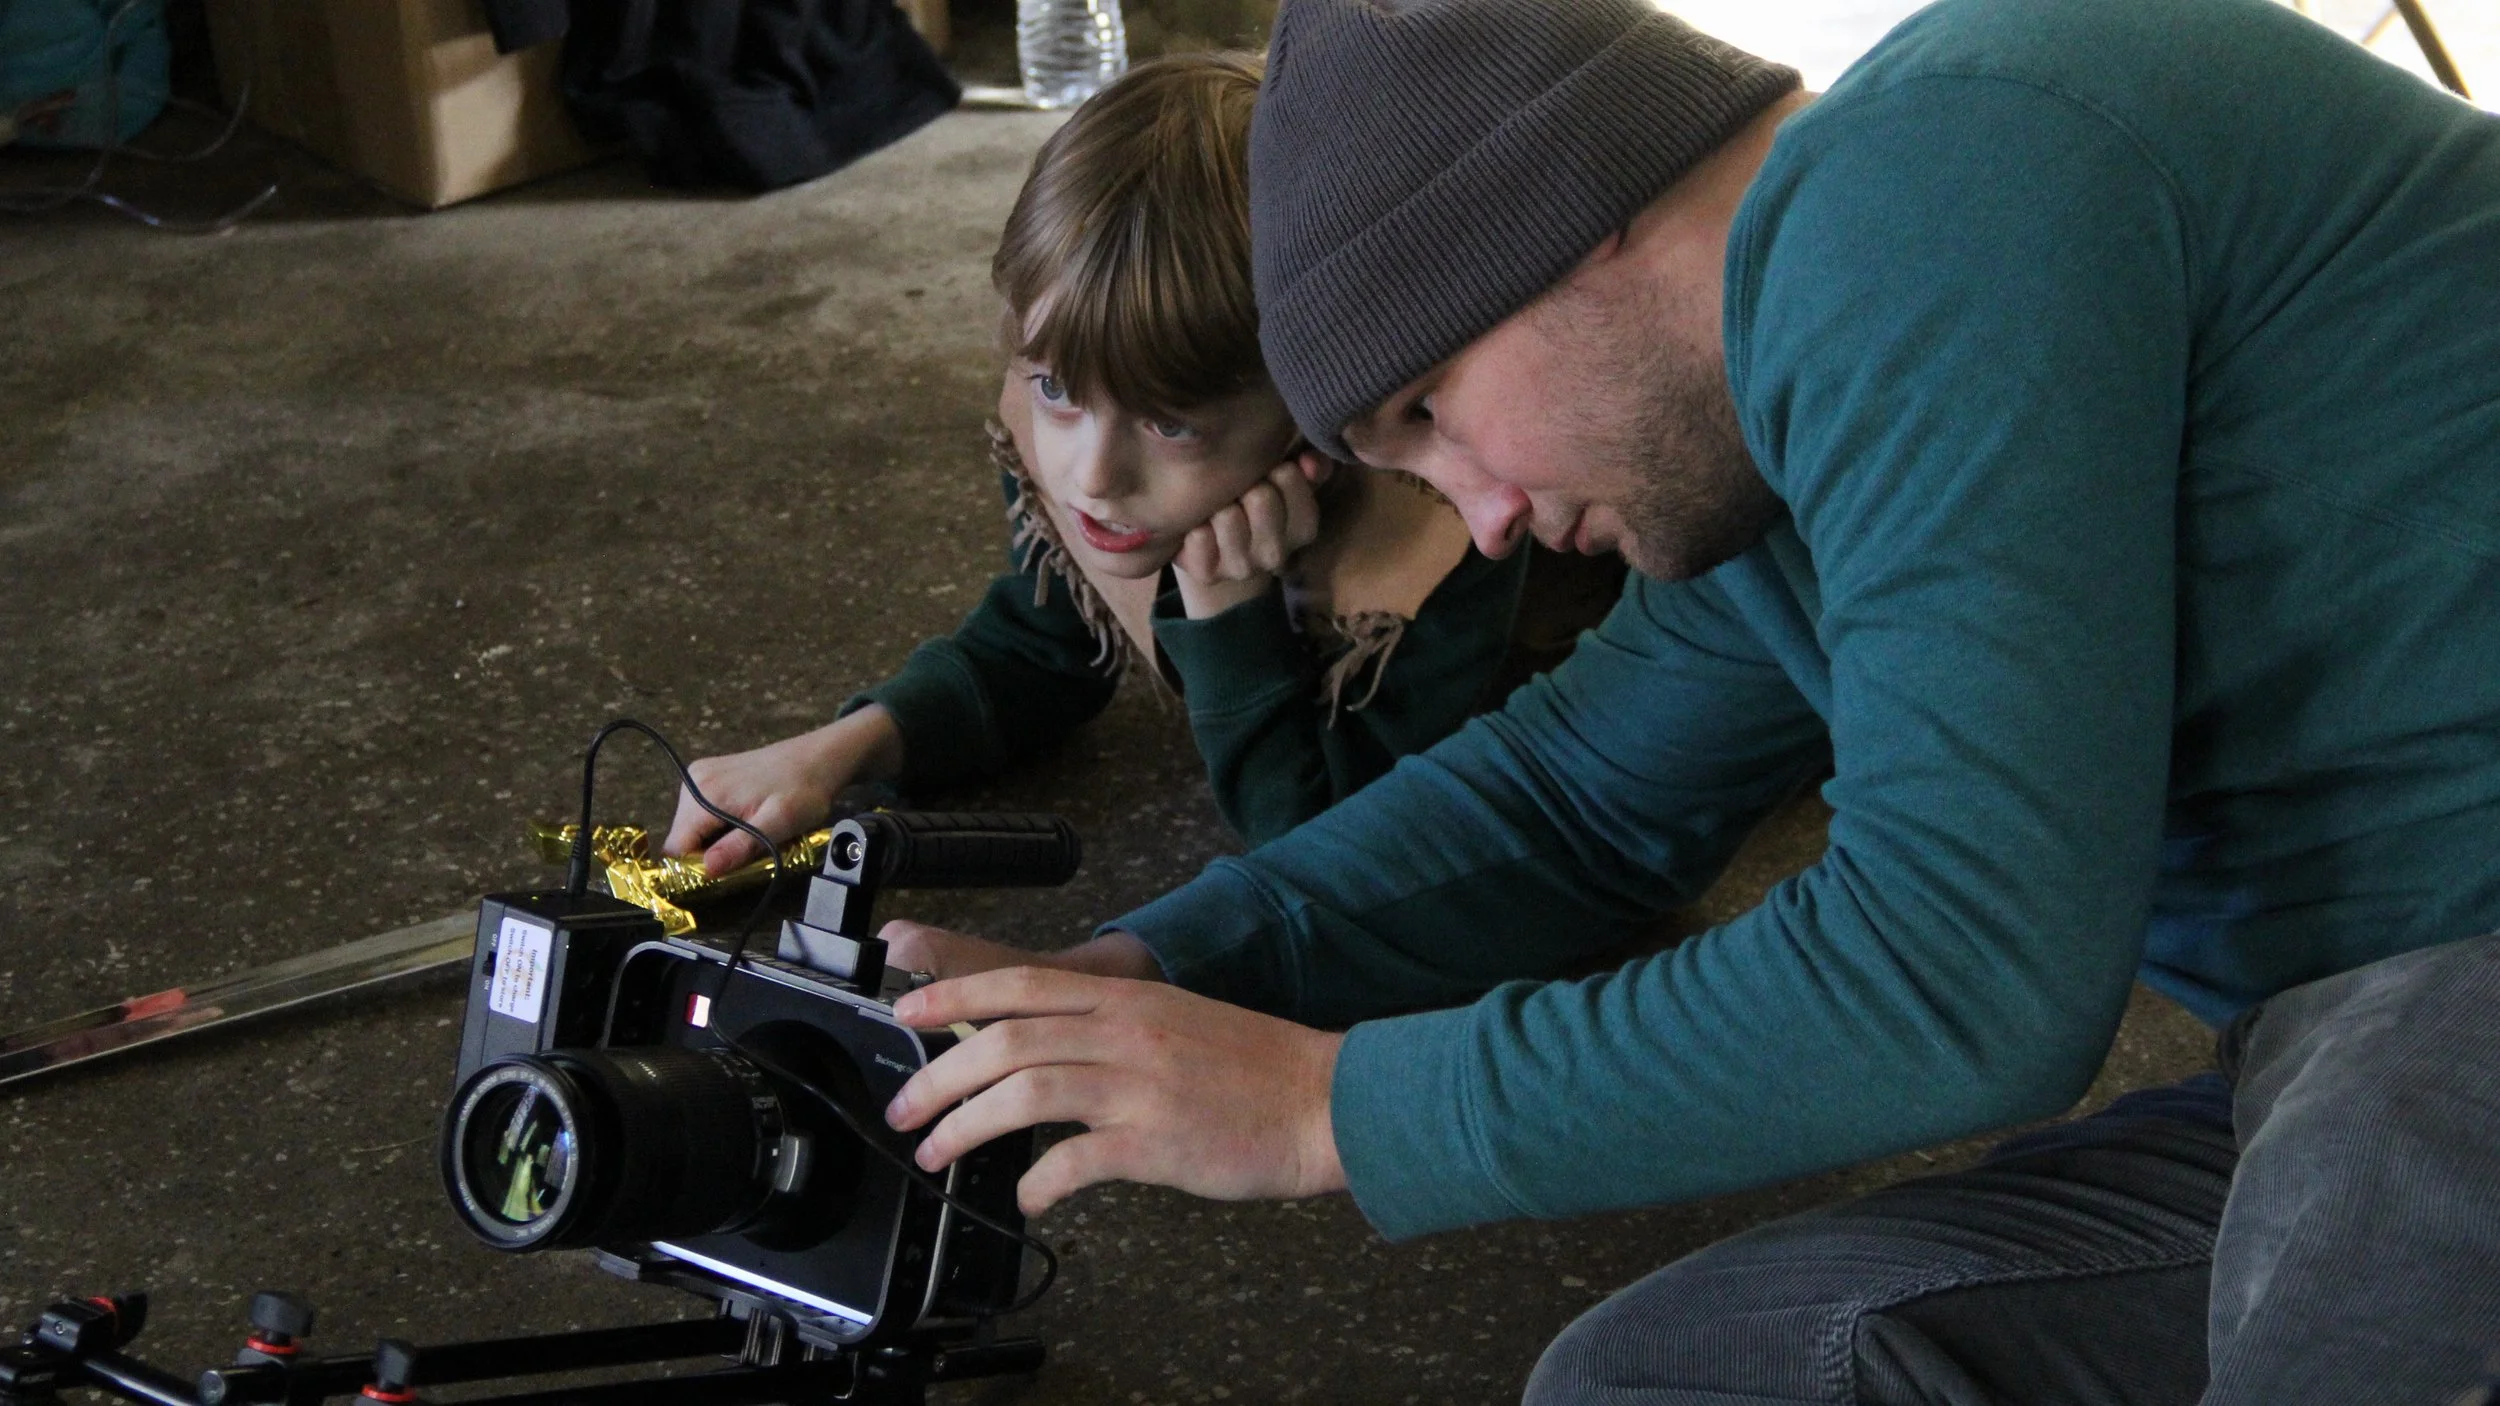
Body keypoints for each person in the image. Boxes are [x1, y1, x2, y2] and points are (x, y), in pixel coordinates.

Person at [865, 0, 2500, 1400]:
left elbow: (1958, 972)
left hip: (2457, 1014)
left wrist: (1324, 1106)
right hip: (2324, 1061)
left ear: (1577, 219)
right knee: (1669, 1377)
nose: (1482, 514)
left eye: (1432, 409)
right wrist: (1135, 976)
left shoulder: (1944, 173)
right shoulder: (1782, 450)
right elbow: (1572, 798)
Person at [664, 52, 1617, 873]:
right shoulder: (1072, 416)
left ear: (1316, 408)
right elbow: (1048, 646)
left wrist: (1232, 619)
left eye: (1172, 426)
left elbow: (1339, 852)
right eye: (1055, 391)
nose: (1090, 475)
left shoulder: (1446, 531)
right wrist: (836, 754)